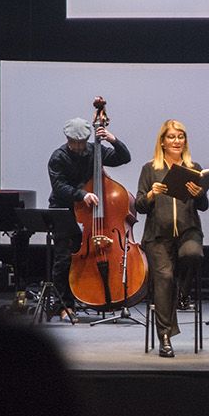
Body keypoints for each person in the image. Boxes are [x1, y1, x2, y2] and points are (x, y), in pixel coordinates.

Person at [135, 120, 208, 358]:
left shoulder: (193, 167)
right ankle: (165, 336)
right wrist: (152, 194)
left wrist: (200, 195)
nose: (177, 141)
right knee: (164, 278)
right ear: (162, 141)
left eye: (181, 137)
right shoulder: (150, 168)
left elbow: (204, 206)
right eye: (172, 137)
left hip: (188, 231)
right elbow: (139, 205)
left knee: (193, 254)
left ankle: (183, 294)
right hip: (158, 236)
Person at [47, 116, 131, 322]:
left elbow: (124, 158)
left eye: (82, 142)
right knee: (64, 259)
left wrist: (112, 139)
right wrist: (82, 195)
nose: (78, 146)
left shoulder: (95, 150)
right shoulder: (58, 157)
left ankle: (97, 297)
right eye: (74, 142)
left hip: (88, 215)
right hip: (64, 209)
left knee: (86, 257)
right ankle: (62, 306)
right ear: (67, 139)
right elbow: (60, 186)